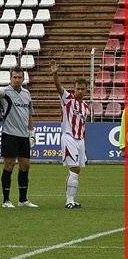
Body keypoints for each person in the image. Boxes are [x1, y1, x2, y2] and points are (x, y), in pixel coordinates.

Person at [0, 67, 38, 208]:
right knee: (9, 165)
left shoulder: (27, 93)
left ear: (23, 79)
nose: (17, 80)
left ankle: (23, 200)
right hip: (9, 134)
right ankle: (6, 200)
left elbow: (29, 114)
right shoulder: (5, 92)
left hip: (24, 136)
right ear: (10, 78)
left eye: (19, 77)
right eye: (14, 77)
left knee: (25, 166)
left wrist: (32, 132)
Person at [50, 60, 89, 208]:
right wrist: (55, 74)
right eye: (77, 88)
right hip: (69, 137)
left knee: (77, 169)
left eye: (82, 89)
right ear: (74, 89)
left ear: (86, 90)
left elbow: (83, 127)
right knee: (73, 168)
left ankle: (72, 199)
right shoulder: (68, 100)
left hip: (80, 140)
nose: (79, 91)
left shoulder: (86, 107)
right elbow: (59, 88)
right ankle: (69, 201)